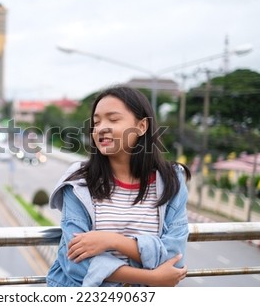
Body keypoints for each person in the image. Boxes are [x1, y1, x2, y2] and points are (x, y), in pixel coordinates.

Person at [46, 85, 191, 287]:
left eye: (113, 119)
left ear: (141, 126)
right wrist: (150, 278)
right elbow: (75, 261)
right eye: (96, 122)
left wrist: (112, 241)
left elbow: (174, 255)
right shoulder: (80, 182)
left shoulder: (171, 180)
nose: (101, 128)